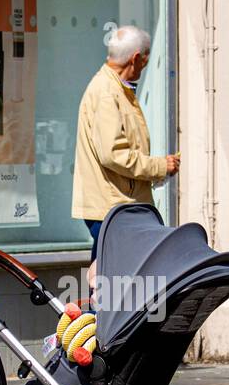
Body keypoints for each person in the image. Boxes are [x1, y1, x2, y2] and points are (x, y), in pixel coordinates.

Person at [71, 25, 179, 284]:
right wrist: (159, 166)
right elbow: (113, 154)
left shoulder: (114, 88)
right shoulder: (107, 93)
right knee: (111, 285)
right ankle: (99, 324)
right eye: (146, 60)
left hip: (116, 205)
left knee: (113, 282)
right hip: (113, 207)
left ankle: (101, 322)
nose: (144, 67)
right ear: (136, 59)